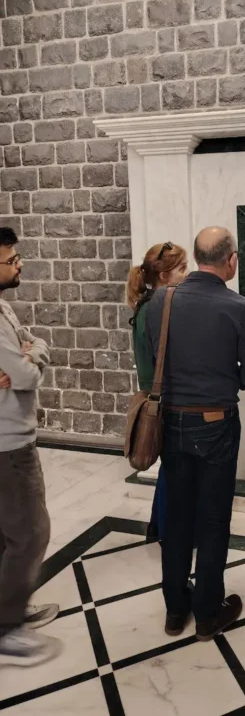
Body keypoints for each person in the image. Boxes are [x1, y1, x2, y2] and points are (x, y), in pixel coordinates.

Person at [146, 227, 245, 641]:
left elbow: (155, 355)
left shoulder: (162, 299)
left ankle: (175, 610)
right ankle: (208, 613)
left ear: (196, 258)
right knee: (213, 520)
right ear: (230, 260)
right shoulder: (241, 308)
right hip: (216, 425)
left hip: (172, 424)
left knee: (176, 519)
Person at [0, 227, 60, 666]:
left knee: (9, 535)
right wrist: (29, 360)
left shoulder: (3, 307)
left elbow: (34, 345)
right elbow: (24, 378)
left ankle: (10, 608)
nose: (19, 264)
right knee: (31, 532)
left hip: (11, 436)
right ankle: (7, 627)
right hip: (9, 444)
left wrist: (29, 351)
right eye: (11, 259)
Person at [127, 241, 189, 542]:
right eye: (181, 268)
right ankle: (169, 529)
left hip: (153, 393)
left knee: (171, 465)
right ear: (164, 276)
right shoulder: (160, 308)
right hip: (165, 397)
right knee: (175, 467)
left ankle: (158, 524)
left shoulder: (146, 305)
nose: (187, 274)